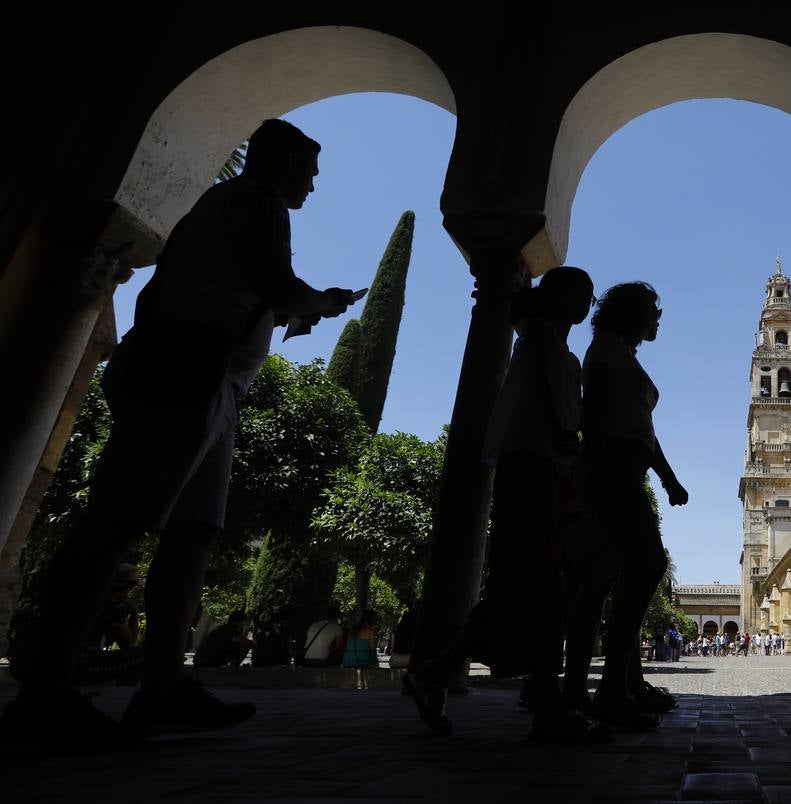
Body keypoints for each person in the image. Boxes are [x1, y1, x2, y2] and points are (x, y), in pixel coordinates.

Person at [2, 119, 358, 745]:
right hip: (186, 378)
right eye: (309, 170)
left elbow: (239, 289)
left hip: (208, 383)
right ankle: (44, 692)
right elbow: (276, 285)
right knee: (113, 524)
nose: (314, 184)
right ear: (280, 165)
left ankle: (161, 689)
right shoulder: (257, 202)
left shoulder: (227, 208)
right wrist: (322, 302)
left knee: (193, 532)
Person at [405, 267, 606, 743]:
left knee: (525, 584)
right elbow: (541, 396)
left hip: (542, 469)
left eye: (589, 296)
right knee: (535, 583)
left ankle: (439, 673)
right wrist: (565, 432)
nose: (586, 304)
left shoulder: (553, 345)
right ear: (555, 297)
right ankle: (543, 703)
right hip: (532, 466)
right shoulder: (539, 338)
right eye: (579, 294)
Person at [563, 283, 688, 728]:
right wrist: (593, 474)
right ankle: (613, 689)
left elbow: (642, 429)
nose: (657, 321)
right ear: (631, 315)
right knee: (645, 565)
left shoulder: (622, 354)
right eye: (652, 313)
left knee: (601, 580)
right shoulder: (605, 353)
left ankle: (601, 687)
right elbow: (595, 416)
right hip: (611, 473)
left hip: (623, 471)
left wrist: (667, 477)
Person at [73, 563, 145, 686]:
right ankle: (123, 698)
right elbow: (129, 644)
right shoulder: (112, 606)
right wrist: (134, 614)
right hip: (84, 666)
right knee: (147, 655)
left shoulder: (87, 598)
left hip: (71, 663)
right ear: (128, 587)